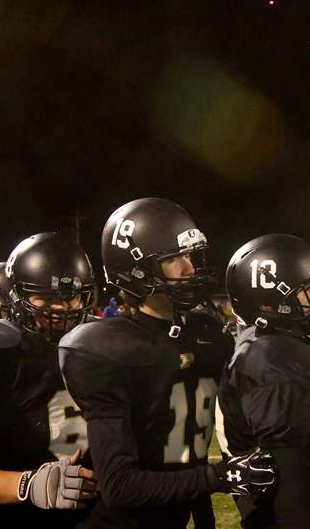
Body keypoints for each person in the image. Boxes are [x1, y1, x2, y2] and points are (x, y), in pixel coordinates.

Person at [60, 198, 271, 528]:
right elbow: (119, 486)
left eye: (188, 255)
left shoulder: (208, 334)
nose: (189, 267)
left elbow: (192, 450)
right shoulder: (106, 348)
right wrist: (218, 477)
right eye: (174, 258)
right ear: (136, 271)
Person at [0, 233, 99, 528]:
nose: (64, 307)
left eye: (72, 296)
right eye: (48, 297)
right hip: (13, 516)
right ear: (16, 297)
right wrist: (29, 484)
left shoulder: (97, 342)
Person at [217, 233, 310, 528]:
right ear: (271, 303)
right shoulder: (278, 363)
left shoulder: (266, 345)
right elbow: (290, 493)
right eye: (307, 288)